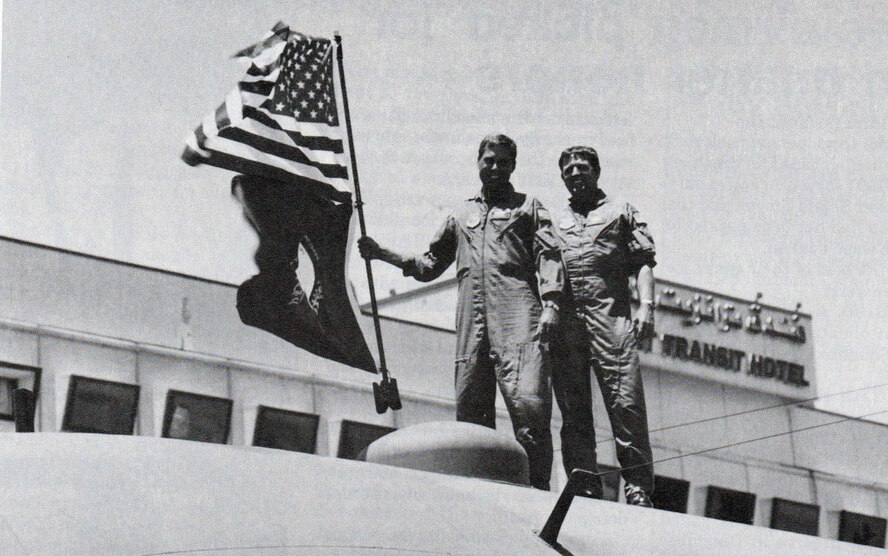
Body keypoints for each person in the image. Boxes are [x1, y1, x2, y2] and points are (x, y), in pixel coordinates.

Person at [358, 134, 563, 489]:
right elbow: (429, 264)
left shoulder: (529, 207)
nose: (496, 167)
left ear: (513, 166)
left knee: (529, 407)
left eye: (503, 161)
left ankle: (539, 492)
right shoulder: (461, 214)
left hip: (518, 317)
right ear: (478, 163)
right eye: (489, 160)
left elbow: (549, 256)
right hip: (472, 322)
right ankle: (481, 491)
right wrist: (381, 253)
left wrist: (553, 303)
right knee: (470, 413)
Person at [550, 145, 656, 506]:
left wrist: (647, 307)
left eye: (582, 166)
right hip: (567, 326)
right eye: (568, 169)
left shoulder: (619, 211)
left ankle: (638, 487)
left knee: (625, 404)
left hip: (611, 319)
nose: (576, 173)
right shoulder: (553, 220)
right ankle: (584, 484)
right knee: (573, 409)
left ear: (596, 171)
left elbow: (643, 261)